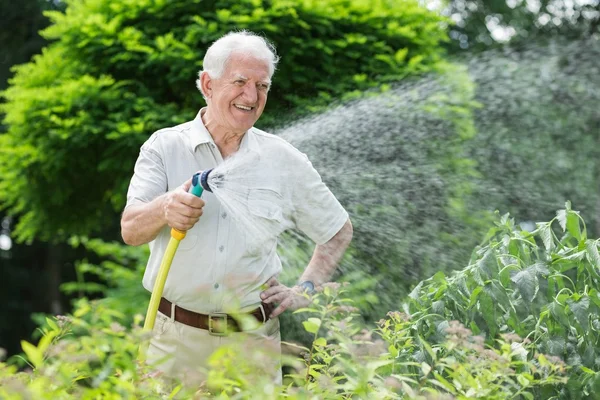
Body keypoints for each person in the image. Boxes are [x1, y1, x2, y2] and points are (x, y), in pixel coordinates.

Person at [120, 30, 353, 384]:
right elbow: (131, 230)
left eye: (262, 86)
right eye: (240, 82)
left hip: (253, 343)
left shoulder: (283, 159)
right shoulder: (164, 148)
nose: (251, 96)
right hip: (174, 341)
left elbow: (337, 231)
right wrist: (166, 207)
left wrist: (305, 289)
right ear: (208, 84)